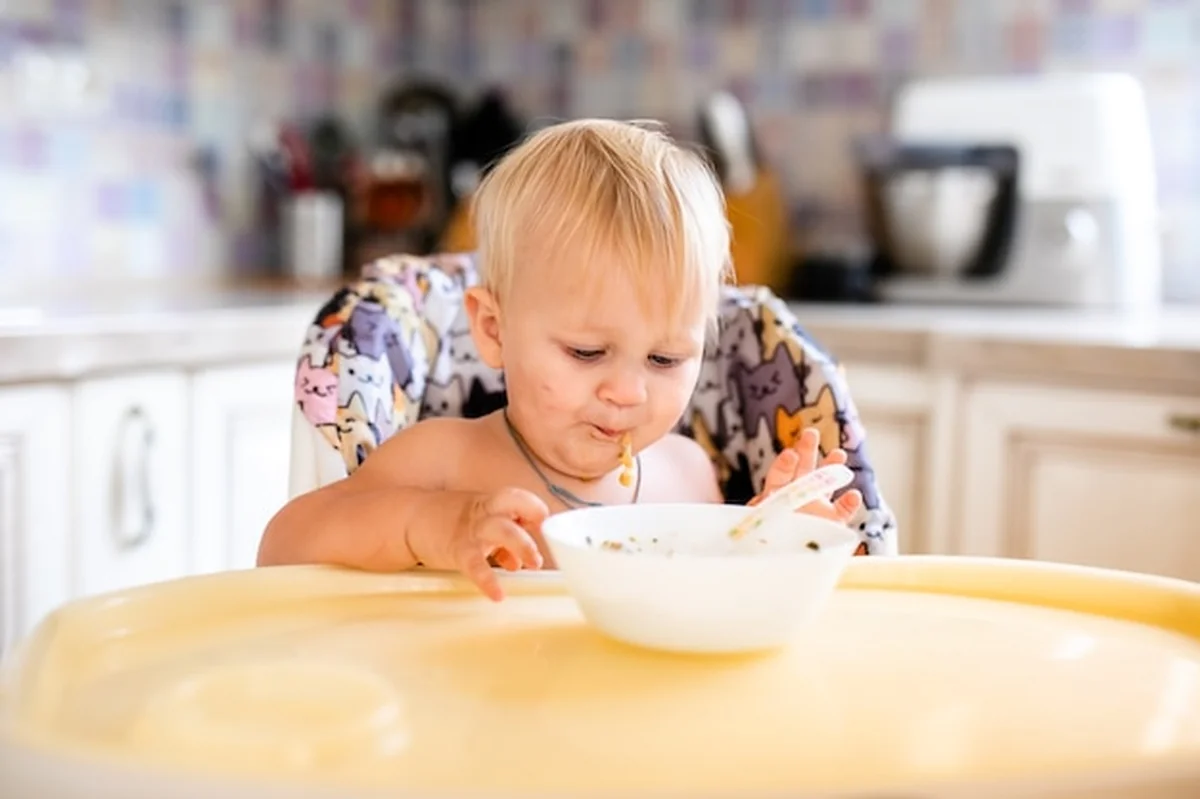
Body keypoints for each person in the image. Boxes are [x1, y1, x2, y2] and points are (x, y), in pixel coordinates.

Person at [259, 118, 862, 601]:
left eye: (665, 358)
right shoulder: (443, 461)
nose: (628, 392)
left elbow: (714, 609)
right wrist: (430, 525)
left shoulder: (688, 475)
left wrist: (778, 540)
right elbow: (284, 546)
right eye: (586, 352)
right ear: (494, 330)